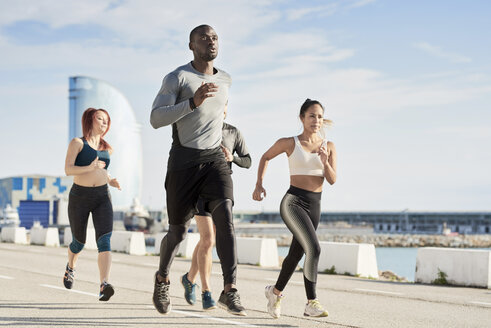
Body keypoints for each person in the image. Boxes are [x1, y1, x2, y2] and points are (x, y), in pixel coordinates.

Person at [150, 24, 246, 316]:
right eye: (204, 38)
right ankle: (163, 278)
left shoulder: (226, 79)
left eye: (215, 37)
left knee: (225, 218)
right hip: (183, 162)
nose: (211, 41)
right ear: (191, 45)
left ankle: (229, 289)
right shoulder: (177, 77)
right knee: (178, 232)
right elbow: (156, 118)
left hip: (214, 161)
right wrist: (192, 102)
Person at [252, 99, 337, 318]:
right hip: (293, 202)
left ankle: (275, 292)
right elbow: (265, 157)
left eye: (319, 116)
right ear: (302, 118)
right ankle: (312, 302)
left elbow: (332, 180)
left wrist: (325, 161)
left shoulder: (329, 146)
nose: (316, 120)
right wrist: (259, 183)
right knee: (314, 249)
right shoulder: (290, 142)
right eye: (311, 116)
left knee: (295, 254)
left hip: (315, 205)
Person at [181, 103, 251, 310]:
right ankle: (207, 291)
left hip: (221, 188)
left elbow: (248, 161)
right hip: (199, 189)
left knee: (214, 236)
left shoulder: (233, 132)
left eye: (222, 105)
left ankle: (189, 278)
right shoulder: (197, 129)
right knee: (208, 239)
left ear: (226, 109)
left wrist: (233, 158)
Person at [63, 107, 121, 301]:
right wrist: (90, 167)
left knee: (104, 241)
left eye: (106, 121)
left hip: (102, 197)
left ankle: (104, 284)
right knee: (78, 243)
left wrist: (111, 180)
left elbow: (103, 170)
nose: (104, 123)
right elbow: (68, 170)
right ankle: (71, 267)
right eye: (100, 119)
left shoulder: (107, 148)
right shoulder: (77, 143)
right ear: (89, 120)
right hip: (80, 197)